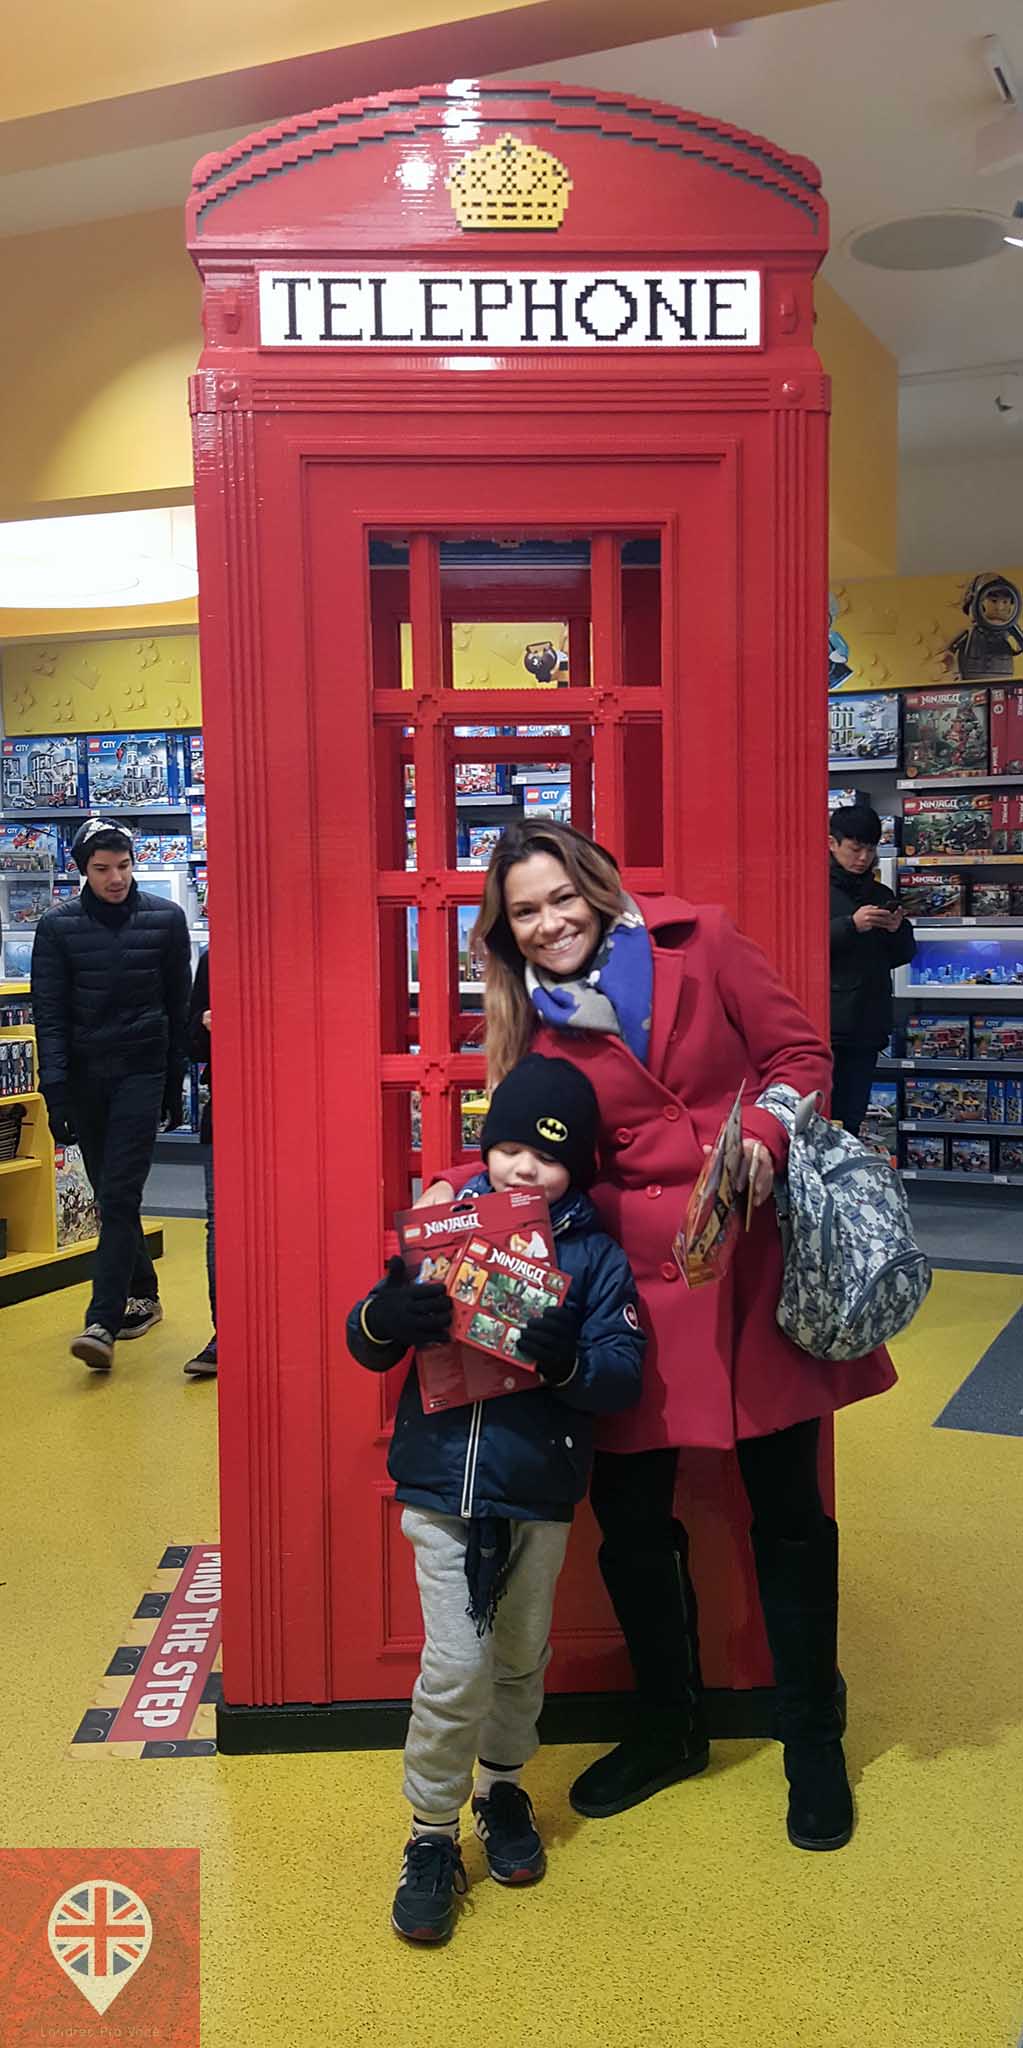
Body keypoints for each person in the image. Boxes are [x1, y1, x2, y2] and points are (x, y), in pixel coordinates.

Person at [423, 817, 897, 1854]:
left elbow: (799, 1051)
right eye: (524, 912)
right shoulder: (535, 1026)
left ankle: (812, 1734)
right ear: (504, 934)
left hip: (753, 1256)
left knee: (789, 1506)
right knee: (632, 1517)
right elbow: (523, 1154)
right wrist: (455, 1195)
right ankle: (671, 1723)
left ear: (595, 887)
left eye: (560, 898)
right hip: (633, 1283)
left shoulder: (705, 938)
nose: (549, 923)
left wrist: (766, 1131)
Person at [346, 1055, 644, 1944]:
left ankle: (501, 1790)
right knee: (456, 1669)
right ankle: (430, 1834)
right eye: (508, 1145)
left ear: (576, 1168)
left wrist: (566, 1364)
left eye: (546, 1156)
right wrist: (385, 1318)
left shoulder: (593, 1257)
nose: (522, 1168)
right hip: (442, 1494)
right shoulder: (442, 1227)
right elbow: (365, 1340)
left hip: (536, 1494)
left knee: (518, 1659)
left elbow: (622, 1378)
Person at [30, 817, 192, 1371]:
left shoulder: (166, 921)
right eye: (103, 869)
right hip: (83, 1078)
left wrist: (175, 1084)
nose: (116, 878)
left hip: (141, 1074)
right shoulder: (56, 928)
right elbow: (48, 1018)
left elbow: (179, 1008)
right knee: (111, 1194)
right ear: (83, 871)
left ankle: (102, 1319)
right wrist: (56, 1095)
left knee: (120, 1195)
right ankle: (144, 1293)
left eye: (123, 866)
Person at [829, 803, 916, 1136]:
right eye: (855, 848)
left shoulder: (881, 893)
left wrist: (896, 930)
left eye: (870, 848)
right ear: (832, 843)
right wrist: (851, 925)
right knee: (818, 1119)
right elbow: (797, 947)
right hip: (826, 1027)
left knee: (851, 1121)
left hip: (868, 1026)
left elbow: (903, 955)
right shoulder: (810, 890)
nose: (863, 857)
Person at [184, 947, 217, 1378]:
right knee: (221, 1222)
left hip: (294, 1109)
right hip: (227, 1106)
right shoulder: (214, 958)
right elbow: (190, 1041)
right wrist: (204, 1025)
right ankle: (225, 1333)